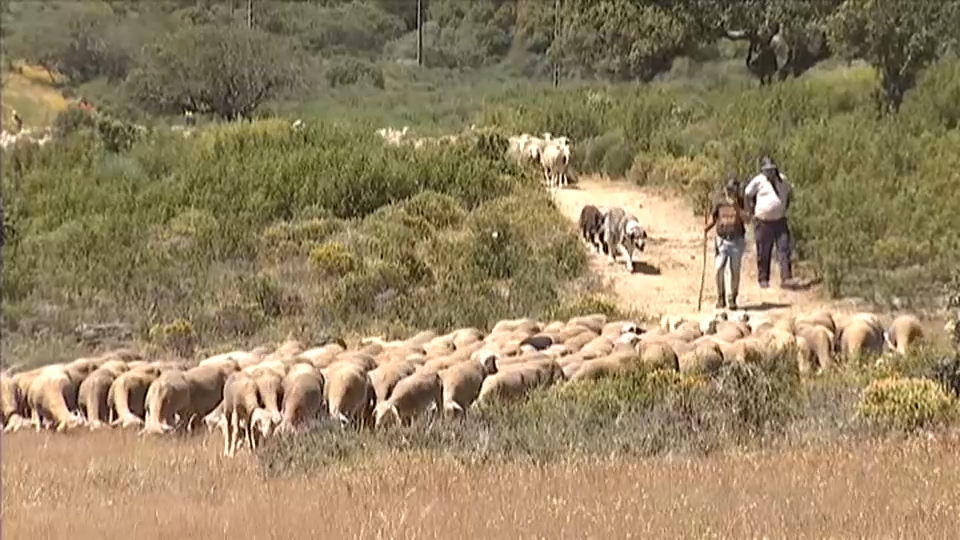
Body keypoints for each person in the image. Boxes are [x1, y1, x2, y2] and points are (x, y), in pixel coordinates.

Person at [744, 156, 794, 290]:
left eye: (771, 169)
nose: (769, 172)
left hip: (780, 221)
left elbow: (789, 194)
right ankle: (763, 279)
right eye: (766, 170)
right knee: (763, 251)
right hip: (763, 222)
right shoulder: (758, 181)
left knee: (784, 249)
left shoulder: (783, 180)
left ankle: (786, 277)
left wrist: (783, 207)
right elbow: (747, 194)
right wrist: (751, 211)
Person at [705, 175, 749, 310]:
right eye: (729, 189)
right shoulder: (720, 202)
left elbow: (747, 219)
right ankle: (720, 297)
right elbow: (714, 218)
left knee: (735, 271)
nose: (731, 192)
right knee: (718, 268)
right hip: (722, 240)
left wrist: (737, 207)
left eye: (733, 190)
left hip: (737, 241)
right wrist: (706, 228)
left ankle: (732, 298)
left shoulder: (741, 203)